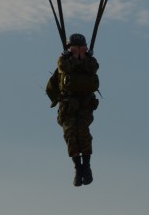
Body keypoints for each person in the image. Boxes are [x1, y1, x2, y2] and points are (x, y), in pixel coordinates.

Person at [46, 32, 99, 186]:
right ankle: (77, 167)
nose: (77, 50)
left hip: (85, 104)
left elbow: (93, 68)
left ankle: (87, 167)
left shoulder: (90, 61)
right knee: (70, 133)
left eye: (80, 47)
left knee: (83, 132)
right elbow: (63, 68)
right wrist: (74, 57)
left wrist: (84, 57)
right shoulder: (64, 60)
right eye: (74, 47)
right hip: (68, 105)